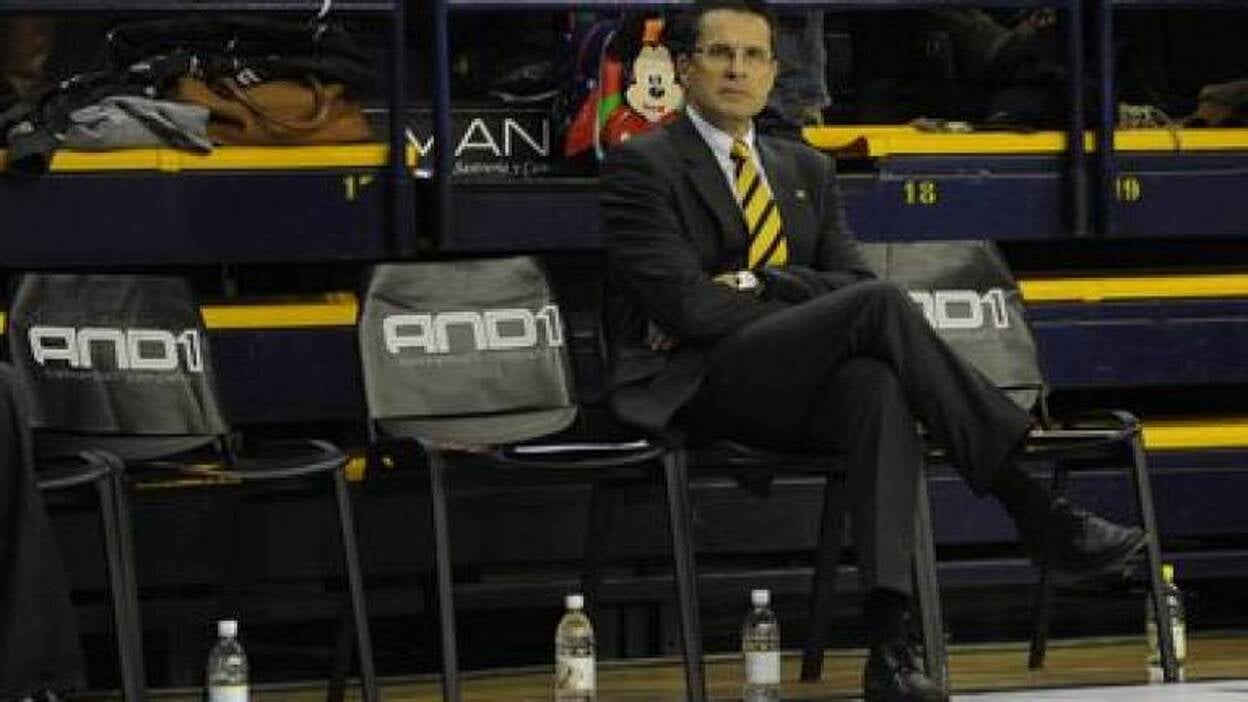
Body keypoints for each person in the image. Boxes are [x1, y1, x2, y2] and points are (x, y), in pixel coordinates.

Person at [600, 2, 1146, 700]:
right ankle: (1032, 505)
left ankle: (890, 644)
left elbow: (848, 282)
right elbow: (688, 309)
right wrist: (806, 301)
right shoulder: (642, 166)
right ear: (684, 67)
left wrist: (763, 281)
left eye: (754, 55)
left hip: (796, 378)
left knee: (878, 390)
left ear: (774, 72)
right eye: (719, 53)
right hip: (698, 384)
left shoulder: (806, 167)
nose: (737, 69)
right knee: (881, 308)